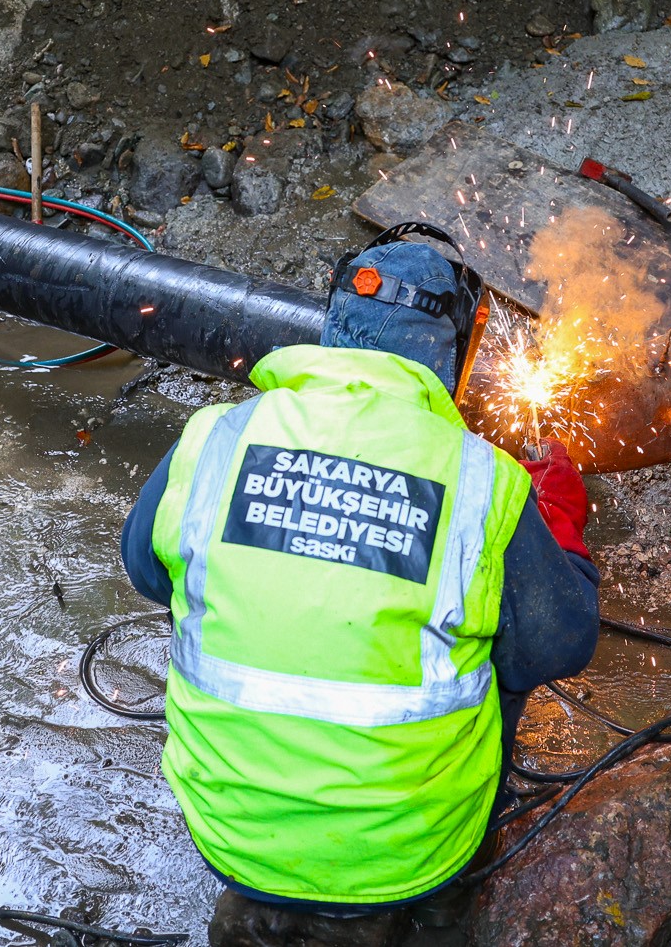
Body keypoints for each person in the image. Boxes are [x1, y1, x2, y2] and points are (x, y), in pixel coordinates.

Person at [119, 228, 600, 944]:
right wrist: (557, 534)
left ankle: (259, 888)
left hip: (224, 831)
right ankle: (439, 905)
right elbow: (559, 642)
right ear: (454, 358)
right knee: (504, 633)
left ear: (332, 327)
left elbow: (145, 567)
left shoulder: (215, 435)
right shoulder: (479, 477)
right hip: (402, 859)